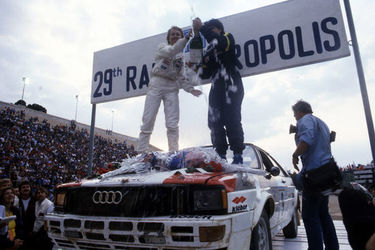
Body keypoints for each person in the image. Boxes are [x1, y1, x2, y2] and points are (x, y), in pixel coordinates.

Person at [137, 26, 202, 153]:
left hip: (172, 87)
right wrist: (185, 39)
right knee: (148, 120)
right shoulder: (162, 48)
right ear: (168, 37)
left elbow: (181, 77)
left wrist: (191, 90)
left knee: (172, 123)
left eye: (178, 34)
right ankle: (141, 153)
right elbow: (171, 51)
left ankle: (173, 153)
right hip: (157, 83)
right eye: (173, 34)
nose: (175, 36)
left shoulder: (181, 57)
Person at [193, 18, 245, 164]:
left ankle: (237, 155)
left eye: (212, 29)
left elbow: (219, 42)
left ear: (218, 29)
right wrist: (200, 64)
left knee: (232, 119)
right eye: (208, 29)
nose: (210, 32)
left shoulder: (227, 37)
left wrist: (202, 28)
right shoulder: (208, 49)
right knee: (214, 121)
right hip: (216, 84)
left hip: (231, 80)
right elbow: (204, 74)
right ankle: (220, 155)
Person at [291, 100, 339, 250]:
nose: (294, 116)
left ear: (300, 111)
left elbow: (306, 140)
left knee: (310, 216)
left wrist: (295, 154)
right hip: (327, 172)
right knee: (323, 214)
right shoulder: (321, 123)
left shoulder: (305, 120)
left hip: (314, 175)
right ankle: (333, 247)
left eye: (294, 113)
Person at [17, 181, 35, 247]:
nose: (26, 189)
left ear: (30, 188)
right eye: (23, 187)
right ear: (20, 190)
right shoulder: (16, 200)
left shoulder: (35, 200)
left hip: (32, 231)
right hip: (19, 231)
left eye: (27, 187)